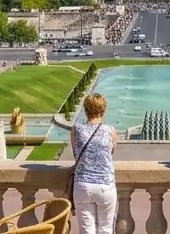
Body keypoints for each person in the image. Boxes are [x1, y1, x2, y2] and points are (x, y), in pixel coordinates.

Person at [71, 93, 117, 234]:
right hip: (105, 184)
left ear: (85, 109)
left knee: (86, 230)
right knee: (105, 229)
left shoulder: (76, 129)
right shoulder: (110, 130)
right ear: (103, 109)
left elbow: (76, 153)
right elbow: (110, 153)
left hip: (83, 184)